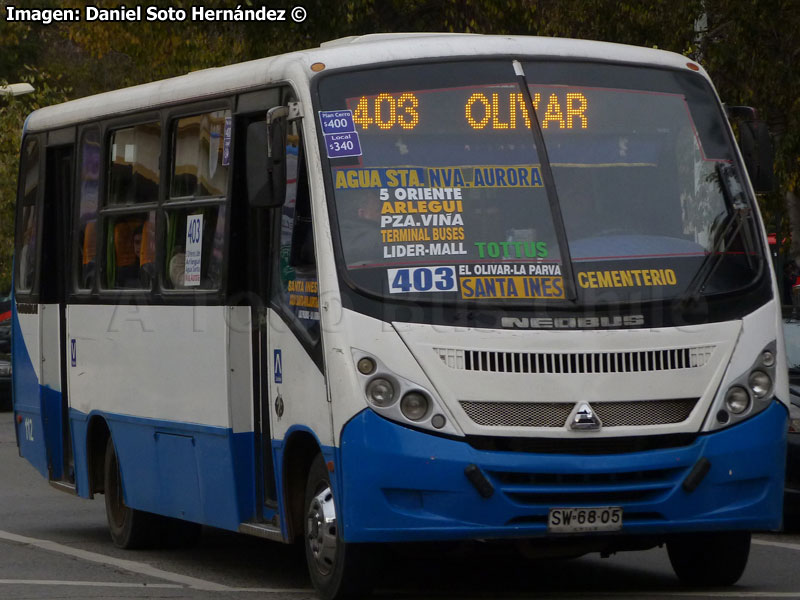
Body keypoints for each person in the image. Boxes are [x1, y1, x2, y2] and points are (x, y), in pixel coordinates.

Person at [338, 189, 381, 266]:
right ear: (361, 213)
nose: (382, 213)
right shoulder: (376, 236)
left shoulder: (339, 231)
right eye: (378, 210)